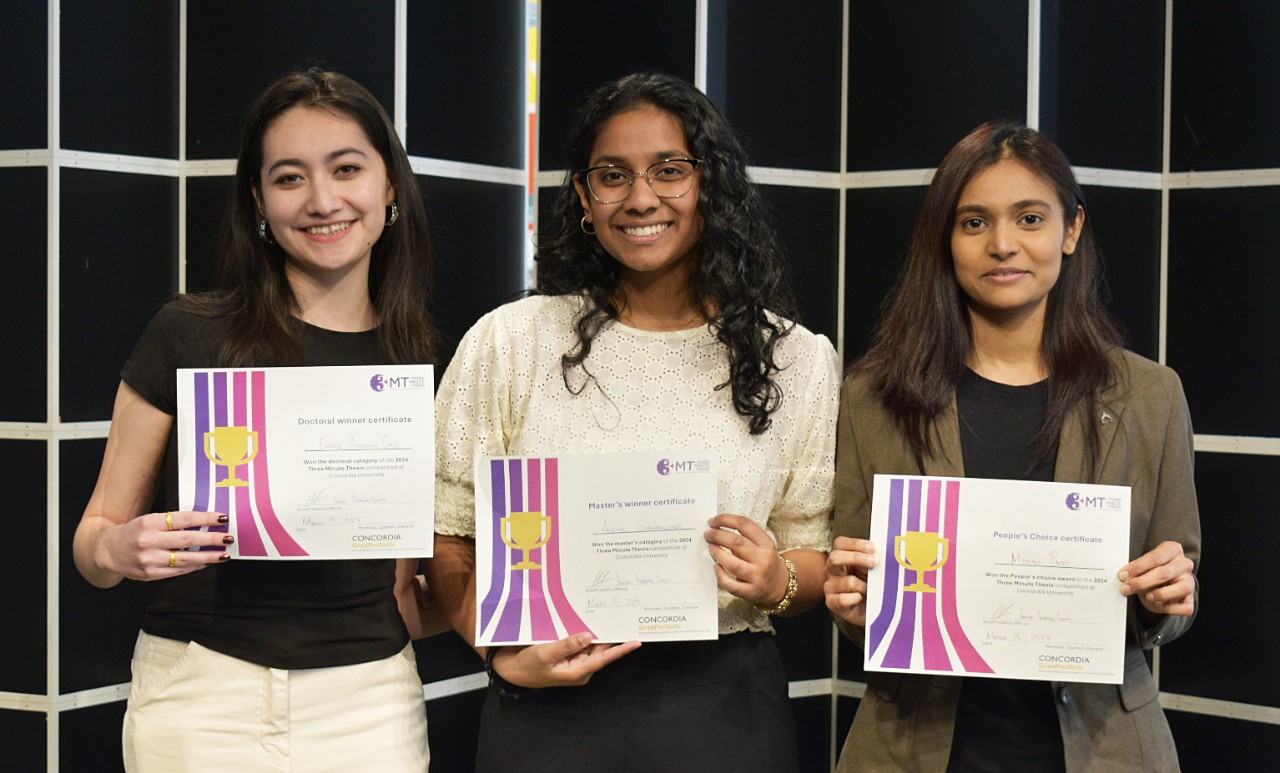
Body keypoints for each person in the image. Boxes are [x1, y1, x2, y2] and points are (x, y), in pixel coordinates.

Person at [428, 71, 838, 772]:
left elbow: (814, 550)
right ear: (585, 198)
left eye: (669, 170)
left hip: (725, 714)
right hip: (546, 712)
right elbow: (450, 530)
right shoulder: (511, 341)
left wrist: (777, 582)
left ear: (710, 185)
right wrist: (499, 654)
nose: (641, 198)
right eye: (613, 175)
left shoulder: (798, 358)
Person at [73, 68, 441, 772]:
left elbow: (400, 588)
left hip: (368, 704)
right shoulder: (188, 334)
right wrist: (118, 550)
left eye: (346, 168)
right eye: (290, 177)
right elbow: (92, 544)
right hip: (200, 695)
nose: (323, 199)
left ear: (389, 184)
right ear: (258, 200)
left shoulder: (415, 361)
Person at [824, 121, 1200, 772]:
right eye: (973, 222)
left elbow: (1173, 589)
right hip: (916, 745)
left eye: (1030, 217)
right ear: (945, 237)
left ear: (1072, 229)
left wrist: (1167, 595)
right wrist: (851, 603)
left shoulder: (1150, 395)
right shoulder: (872, 396)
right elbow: (863, 606)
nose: (1003, 244)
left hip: (1105, 748)